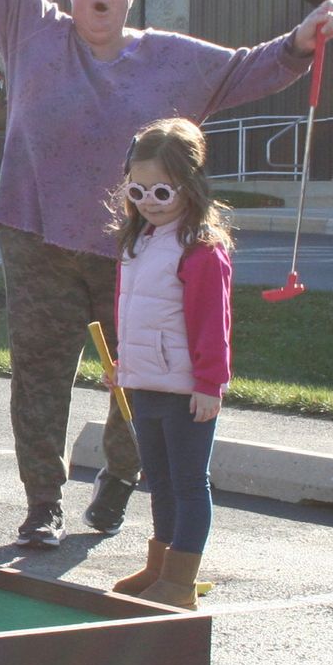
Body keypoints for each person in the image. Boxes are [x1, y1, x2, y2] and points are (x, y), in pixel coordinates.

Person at [0, 0, 333, 548]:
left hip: (135, 248)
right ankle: (43, 506)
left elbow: (247, 66)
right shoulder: (32, 29)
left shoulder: (169, 59)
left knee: (141, 375)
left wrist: (300, 44)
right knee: (40, 375)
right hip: (35, 235)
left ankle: (119, 479)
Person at [106, 118, 232, 608]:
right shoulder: (137, 241)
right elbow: (131, 309)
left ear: (190, 184)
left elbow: (211, 324)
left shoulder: (200, 250)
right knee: (157, 478)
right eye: (137, 190)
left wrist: (209, 383)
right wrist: (124, 362)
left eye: (162, 191)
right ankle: (160, 564)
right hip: (146, 381)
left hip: (185, 389)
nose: (148, 202)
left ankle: (180, 581)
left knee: (187, 482)